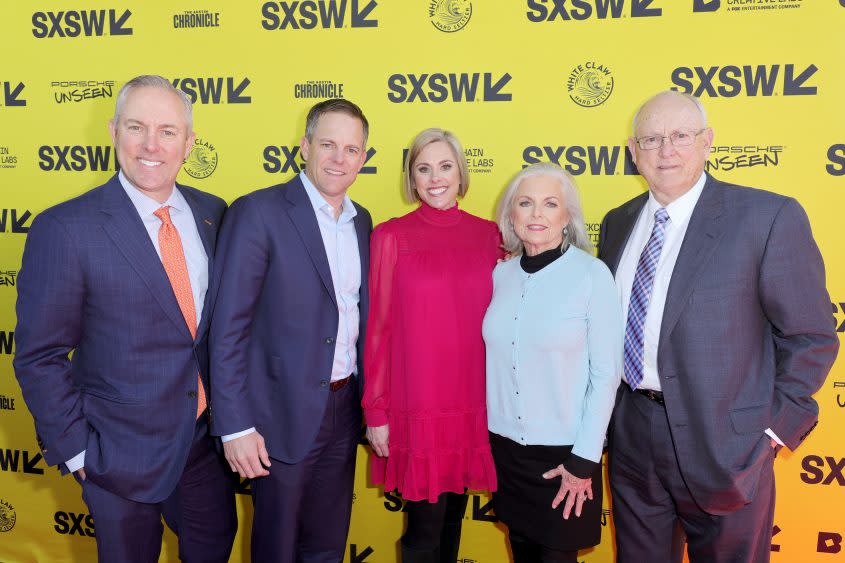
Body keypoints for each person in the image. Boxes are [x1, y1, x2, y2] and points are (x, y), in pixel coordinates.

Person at [598, 90, 839, 562]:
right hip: (632, 439)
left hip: (728, 446)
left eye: (680, 136)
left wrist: (770, 433)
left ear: (707, 142)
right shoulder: (617, 222)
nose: (665, 150)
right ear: (633, 151)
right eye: (651, 139)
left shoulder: (766, 216)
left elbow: (810, 336)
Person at [13, 75, 237, 563]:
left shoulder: (213, 213)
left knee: (215, 548)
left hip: (203, 447)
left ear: (189, 142)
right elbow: (39, 356)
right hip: (115, 453)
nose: (151, 145)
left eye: (167, 131)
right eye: (136, 127)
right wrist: (79, 454)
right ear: (113, 131)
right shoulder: (65, 227)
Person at [209, 98, 372, 562]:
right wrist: (235, 424)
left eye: (351, 149)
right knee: (276, 548)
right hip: (277, 414)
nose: (339, 159)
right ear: (304, 146)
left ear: (363, 157)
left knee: (326, 545)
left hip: (343, 409)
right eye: (328, 144)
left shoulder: (362, 223)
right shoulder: (257, 212)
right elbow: (227, 328)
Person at [363, 128, 500, 562]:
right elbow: (378, 329)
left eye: (445, 166)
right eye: (424, 168)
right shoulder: (391, 236)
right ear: (412, 178)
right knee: (423, 535)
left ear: (461, 173)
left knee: (453, 522)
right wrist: (376, 410)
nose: (435, 178)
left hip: (474, 402)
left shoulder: (491, 235)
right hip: (418, 406)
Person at [483, 163, 622, 563]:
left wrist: (583, 460)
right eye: (525, 203)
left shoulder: (592, 275)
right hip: (506, 451)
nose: (537, 214)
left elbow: (606, 374)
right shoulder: (500, 276)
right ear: (511, 214)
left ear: (567, 217)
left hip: (567, 457)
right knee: (521, 553)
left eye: (550, 204)